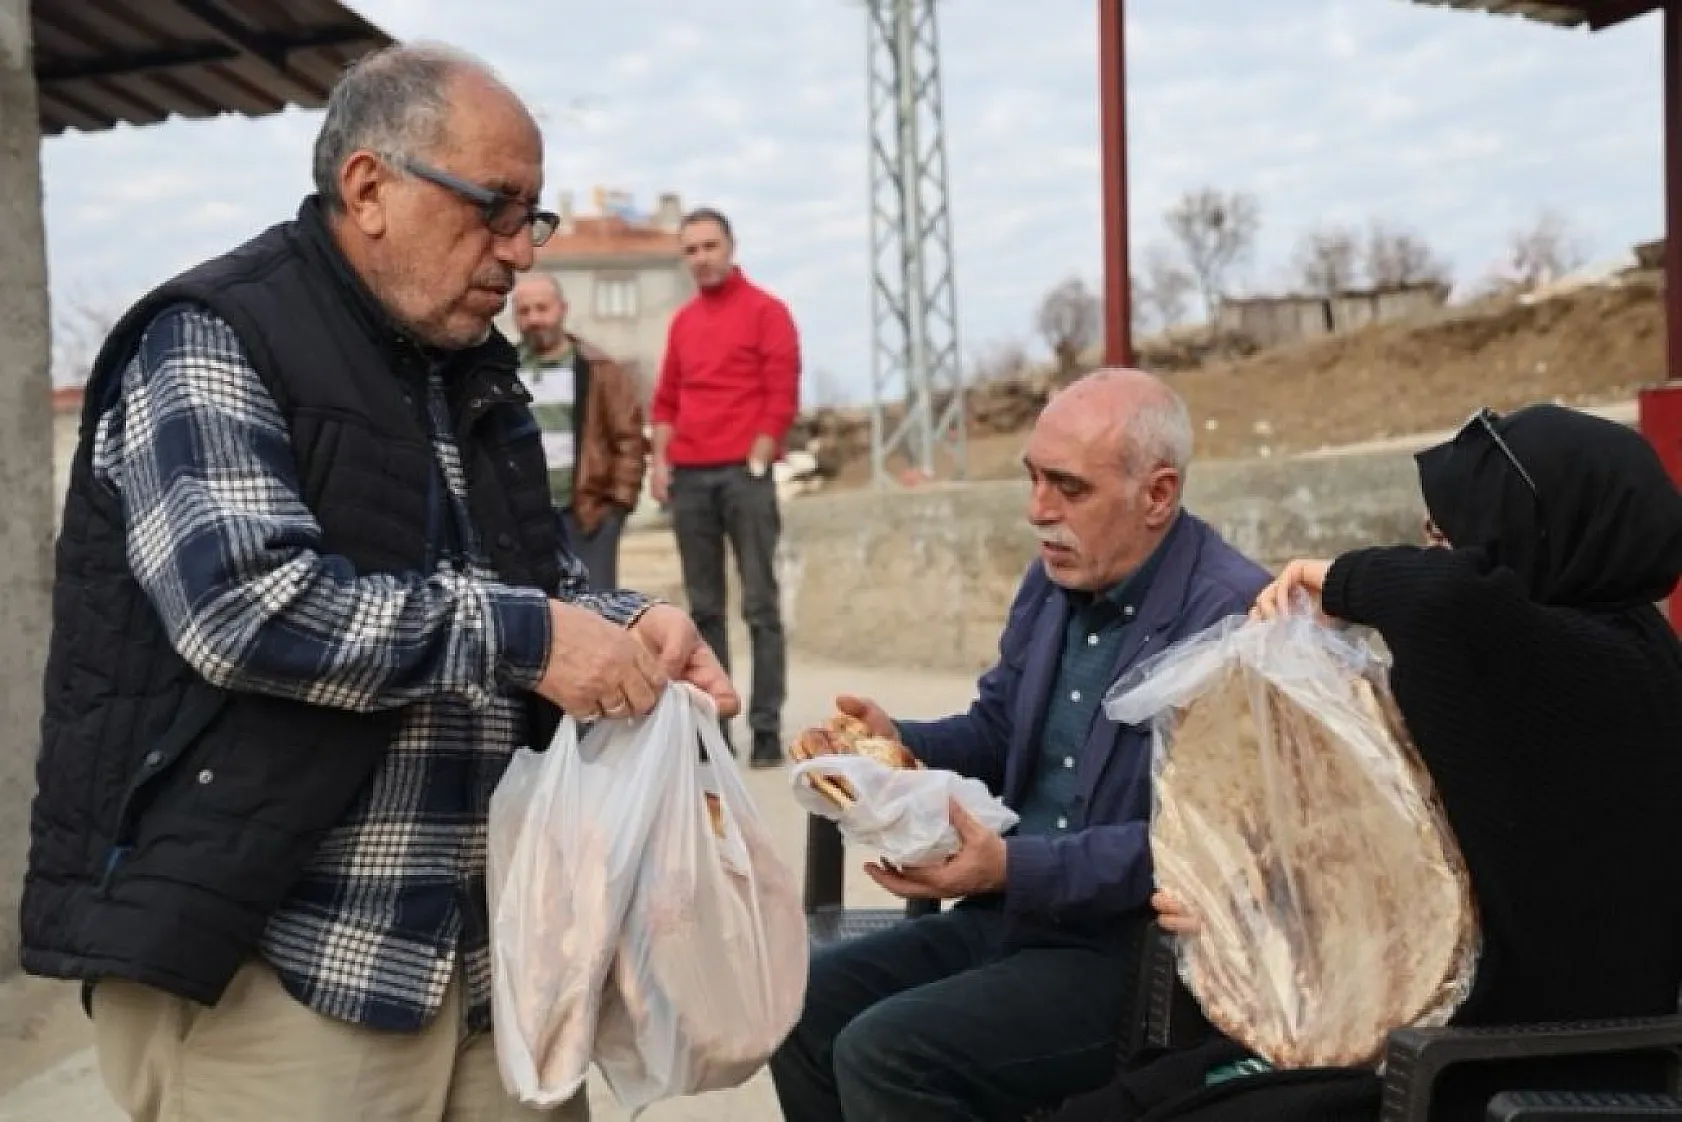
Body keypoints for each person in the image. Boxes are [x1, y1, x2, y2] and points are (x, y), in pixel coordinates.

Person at [18, 44, 735, 1122]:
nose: (517, 250)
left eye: (530, 218)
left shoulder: (473, 372)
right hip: (280, 974)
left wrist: (637, 627)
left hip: (492, 965)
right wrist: (535, 639)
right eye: (494, 207)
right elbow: (245, 608)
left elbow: (533, 579)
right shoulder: (212, 337)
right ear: (368, 188)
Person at [1114, 404, 1682, 1122]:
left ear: (1532, 535)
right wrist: (1238, 902)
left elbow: (1443, 602)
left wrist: (1337, 578)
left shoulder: (1603, 670)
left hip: (1507, 1065)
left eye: (1449, 538)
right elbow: (1393, 854)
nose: (1438, 556)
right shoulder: (1564, 653)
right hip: (1435, 1038)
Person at [767, 369, 1271, 1121]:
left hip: (1130, 959)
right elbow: (999, 732)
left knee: (886, 1053)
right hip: (1012, 916)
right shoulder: (1054, 580)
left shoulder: (1231, 619)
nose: (1039, 510)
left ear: (1158, 495)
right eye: (1034, 478)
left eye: (1069, 488)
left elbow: (1209, 848)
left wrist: (1013, 866)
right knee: (795, 1007)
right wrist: (894, 742)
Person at [649, 207, 800, 767]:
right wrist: (660, 462)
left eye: (709, 246)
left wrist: (760, 453)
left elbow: (782, 389)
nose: (701, 258)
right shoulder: (683, 322)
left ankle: (766, 728)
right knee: (704, 610)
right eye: (690, 250)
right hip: (690, 478)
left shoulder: (767, 311)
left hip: (744, 475)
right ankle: (715, 727)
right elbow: (667, 398)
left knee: (760, 605)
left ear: (731, 247)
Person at [511, 272, 648, 590]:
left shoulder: (599, 369)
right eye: (524, 311)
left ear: (562, 309)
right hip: (523, 521)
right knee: (536, 611)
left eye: (542, 308)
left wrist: (616, 509)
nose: (534, 319)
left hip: (587, 517)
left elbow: (628, 440)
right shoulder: (504, 372)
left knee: (594, 609)